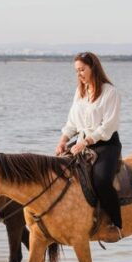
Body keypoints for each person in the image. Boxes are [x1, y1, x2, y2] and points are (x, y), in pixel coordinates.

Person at [55, 52, 123, 235]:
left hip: (106, 144)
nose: (79, 74)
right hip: (80, 143)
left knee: (101, 181)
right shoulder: (80, 92)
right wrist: (63, 141)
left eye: (82, 69)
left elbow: (108, 126)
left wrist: (86, 141)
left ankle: (115, 224)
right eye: (77, 71)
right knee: (55, 172)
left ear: (93, 67)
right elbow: (72, 123)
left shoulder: (110, 92)